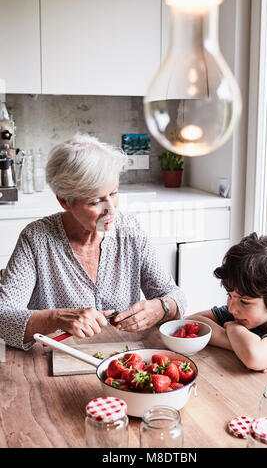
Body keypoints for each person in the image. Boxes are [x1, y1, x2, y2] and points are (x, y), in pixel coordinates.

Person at [0, 134, 186, 350]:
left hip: (123, 361)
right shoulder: (36, 239)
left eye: (114, 193)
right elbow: (3, 316)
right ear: (64, 201)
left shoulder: (130, 231)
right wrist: (57, 318)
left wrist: (161, 307)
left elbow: (176, 296)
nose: (110, 209)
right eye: (95, 201)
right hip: (55, 362)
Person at [187, 233, 267, 376]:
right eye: (229, 295)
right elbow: (192, 322)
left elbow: (255, 358)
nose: (231, 308)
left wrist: (233, 328)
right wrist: (239, 345)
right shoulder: (242, 314)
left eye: (244, 301)